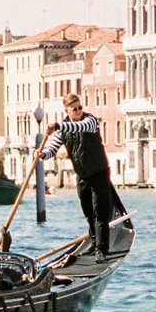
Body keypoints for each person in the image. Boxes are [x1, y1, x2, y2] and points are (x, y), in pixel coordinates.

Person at [40, 93, 126, 259]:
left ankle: (102, 250)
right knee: (88, 212)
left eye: (80, 107)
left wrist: (57, 125)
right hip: (83, 175)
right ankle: (94, 243)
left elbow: (79, 127)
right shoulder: (63, 129)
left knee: (99, 212)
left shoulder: (91, 121)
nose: (79, 111)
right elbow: (53, 148)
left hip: (99, 172)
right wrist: (43, 154)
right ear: (67, 110)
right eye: (74, 109)